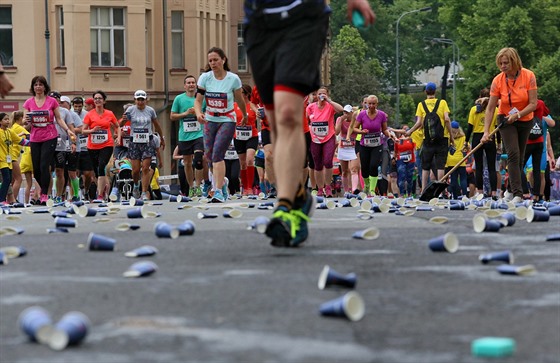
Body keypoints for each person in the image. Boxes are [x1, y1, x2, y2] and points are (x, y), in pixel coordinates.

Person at [244, 0, 375, 247]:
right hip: (261, 20)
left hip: (303, 16)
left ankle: (285, 206)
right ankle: (298, 195)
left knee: (287, 116)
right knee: (276, 126)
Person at [481, 47, 537, 202]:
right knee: (513, 154)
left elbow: (533, 104)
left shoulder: (529, 76)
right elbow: (491, 108)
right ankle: (519, 194)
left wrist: (518, 114)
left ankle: (510, 191)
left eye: (506, 63)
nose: (503, 66)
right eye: (500, 63)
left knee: (520, 158)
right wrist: (486, 132)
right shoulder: (497, 80)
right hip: (505, 120)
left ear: (514, 61)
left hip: (525, 119)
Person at [194, 47, 246, 203]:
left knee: (217, 155)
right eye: (210, 60)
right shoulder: (205, 78)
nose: (213, 63)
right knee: (209, 157)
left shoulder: (233, 79)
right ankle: (222, 183)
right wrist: (198, 113)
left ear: (223, 60)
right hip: (210, 119)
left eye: (216, 60)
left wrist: (245, 114)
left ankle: (217, 191)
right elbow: (198, 100)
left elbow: (239, 100)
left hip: (227, 119)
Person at [22, 76, 76, 205]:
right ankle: (44, 190)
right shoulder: (29, 102)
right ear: (33, 87)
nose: (38, 87)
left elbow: (58, 118)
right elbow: (25, 122)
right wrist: (26, 121)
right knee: (36, 168)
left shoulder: (52, 101)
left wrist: (68, 130)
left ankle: (44, 194)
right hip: (35, 137)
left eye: (41, 84)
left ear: (45, 87)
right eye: (36, 84)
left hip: (50, 136)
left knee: (44, 165)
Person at [406, 82, 454, 193]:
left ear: (425, 92)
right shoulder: (442, 103)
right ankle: (441, 192)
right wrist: (451, 136)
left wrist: (410, 131)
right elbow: (447, 119)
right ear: (435, 92)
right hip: (442, 138)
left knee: (425, 166)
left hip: (427, 140)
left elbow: (419, 123)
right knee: (440, 165)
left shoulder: (421, 105)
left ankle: (423, 190)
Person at [170, 75, 208, 197]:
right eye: (188, 82)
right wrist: (186, 113)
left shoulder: (201, 98)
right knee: (187, 163)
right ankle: (191, 187)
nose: (191, 84)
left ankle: (197, 186)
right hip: (185, 135)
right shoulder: (179, 99)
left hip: (199, 134)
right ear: (185, 85)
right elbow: (172, 116)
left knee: (198, 159)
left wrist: (201, 114)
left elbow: (208, 112)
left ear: (196, 85)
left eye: (193, 82)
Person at [126, 90, 165, 201]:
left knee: (146, 168)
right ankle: (136, 186)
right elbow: (122, 124)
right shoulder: (130, 110)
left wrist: (161, 138)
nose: (140, 102)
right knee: (135, 170)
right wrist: (122, 123)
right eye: (138, 99)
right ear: (135, 100)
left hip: (147, 140)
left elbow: (156, 125)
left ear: (146, 100)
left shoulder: (150, 110)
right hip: (135, 141)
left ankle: (144, 192)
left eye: (142, 99)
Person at [82, 90, 120, 201]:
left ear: (104, 101)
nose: (97, 100)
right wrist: (92, 130)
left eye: (100, 98)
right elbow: (83, 131)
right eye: (96, 98)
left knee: (102, 166)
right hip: (92, 146)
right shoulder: (90, 114)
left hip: (106, 145)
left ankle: (99, 195)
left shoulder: (109, 113)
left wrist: (118, 137)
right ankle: (104, 189)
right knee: (97, 171)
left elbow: (117, 126)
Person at [306, 86, 344, 197]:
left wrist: (329, 101)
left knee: (328, 161)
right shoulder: (311, 107)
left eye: (324, 93)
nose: (321, 96)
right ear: (316, 95)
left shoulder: (330, 106)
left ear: (327, 94)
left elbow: (341, 110)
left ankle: (328, 187)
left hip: (329, 137)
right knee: (317, 164)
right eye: (319, 94)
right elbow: (305, 120)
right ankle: (320, 188)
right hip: (315, 138)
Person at [350, 95, 391, 196]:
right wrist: (361, 131)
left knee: (373, 166)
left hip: (377, 144)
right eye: (369, 104)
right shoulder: (362, 115)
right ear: (366, 104)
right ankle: (367, 185)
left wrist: (389, 135)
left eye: (373, 104)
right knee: (364, 167)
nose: (371, 106)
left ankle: (372, 190)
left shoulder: (381, 115)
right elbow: (354, 128)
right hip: (364, 144)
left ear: (377, 104)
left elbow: (384, 129)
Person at [465, 89, 499, 199]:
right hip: (490, 136)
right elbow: (498, 128)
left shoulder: (474, 110)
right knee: (491, 167)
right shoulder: (495, 109)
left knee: (478, 167)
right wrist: (498, 143)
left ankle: (480, 192)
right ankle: (494, 192)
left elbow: (469, 128)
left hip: (477, 137)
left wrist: (466, 141)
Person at [521, 100, 555, 202]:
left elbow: (552, 123)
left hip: (539, 146)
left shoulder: (538, 104)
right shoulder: (533, 104)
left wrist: (542, 117)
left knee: (540, 173)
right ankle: (533, 192)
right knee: (532, 172)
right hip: (532, 144)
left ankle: (539, 195)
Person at [0, 112, 31, 205]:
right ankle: (1, 200)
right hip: (1, 160)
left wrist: (34, 143)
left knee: (9, 180)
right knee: (6, 179)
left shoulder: (9, 131)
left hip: (8, 160)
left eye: (8, 119)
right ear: (0, 121)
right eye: (5, 119)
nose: (8, 121)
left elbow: (20, 140)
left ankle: (6, 200)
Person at [235, 84, 258, 196]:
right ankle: (244, 187)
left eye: (242, 93)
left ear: (248, 94)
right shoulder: (234, 106)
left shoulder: (252, 106)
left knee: (250, 159)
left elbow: (259, 115)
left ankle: (250, 186)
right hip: (238, 136)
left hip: (252, 136)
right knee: (242, 163)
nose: (240, 95)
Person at [335, 105, 359, 194]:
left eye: (347, 113)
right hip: (343, 147)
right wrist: (340, 121)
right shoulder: (339, 119)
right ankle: (346, 191)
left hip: (353, 147)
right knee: (345, 171)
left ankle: (354, 190)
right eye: (344, 112)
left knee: (354, 169)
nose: (345, 114)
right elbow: (336, 132)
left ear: (352, 113)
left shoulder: (356, 120)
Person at [445, 121, 469, 199]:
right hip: (461, 160)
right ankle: (464, 195)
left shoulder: (448, 137)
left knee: (453, 179)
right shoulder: (463, 137)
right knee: (463, 179)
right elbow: (468, 147)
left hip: (451, 161)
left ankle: (455, 196)